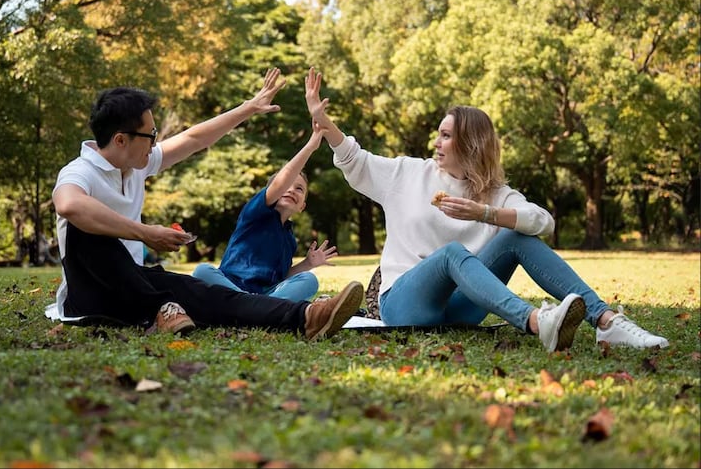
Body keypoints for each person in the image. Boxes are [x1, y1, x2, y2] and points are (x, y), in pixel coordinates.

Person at [304, 66, 668, 351]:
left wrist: (485, 214)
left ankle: (606, 322)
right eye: (439, 133)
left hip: (460, 312)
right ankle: (538, 323)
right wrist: (325, 121)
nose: (437, 141)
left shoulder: (496, 194)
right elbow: (355, 160)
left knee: (517, 236)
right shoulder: (409, 173)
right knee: (451, 255)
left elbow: (543, 222)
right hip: (404, 304)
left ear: (471, 145)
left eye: (447, 135)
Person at [43, 68, 364, 340]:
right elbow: (69, 206)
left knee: (213, 295)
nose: (155, 144)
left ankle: (307, 316)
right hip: (92, 296)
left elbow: (193, 140)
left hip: (138, 284)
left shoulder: (135, 165)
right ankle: (160, 306)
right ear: (121, 140)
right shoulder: (80, 171)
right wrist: (144, 233)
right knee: (84, 228)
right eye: (150, 135)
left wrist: (248, 108)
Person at [192, 124, 337, 302]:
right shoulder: (255, 213)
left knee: (309, 280)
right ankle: (258, 309)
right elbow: (280, 182)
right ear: (272, 190)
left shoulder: (289, 239)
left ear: (302, 206)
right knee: (202, 271)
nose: (291, 190)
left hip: (264, 295)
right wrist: (309, 147)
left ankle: (255, 309)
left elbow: (281, 279)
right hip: (231, 289)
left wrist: (308, 264)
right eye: (286, 184)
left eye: (299, 188)